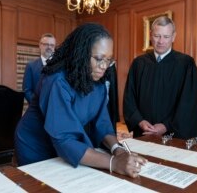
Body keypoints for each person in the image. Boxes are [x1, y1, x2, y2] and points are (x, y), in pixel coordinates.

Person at [15, 23, 147, 178]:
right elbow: (64, 139)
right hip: (37, 146)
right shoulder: (57, 81)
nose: (104, 66)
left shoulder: (97, 81)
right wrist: (114, 163)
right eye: (98, 59)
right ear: (81, 54)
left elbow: (102, 124)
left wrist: (118, 150)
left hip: (68, 147)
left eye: (108, 60)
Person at [123, 16, 197, 142]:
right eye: (157, 36)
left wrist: (166, 125)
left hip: (174, 134)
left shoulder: (185, 64)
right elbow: (129, 97)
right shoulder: (139, 63)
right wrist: (139, 121)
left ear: (173, 37)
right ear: (150, 35)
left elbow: (190, 103)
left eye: (166, 36)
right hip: (143, 131)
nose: (161, 41)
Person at [22, 33, 56, 104]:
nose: (49, 47)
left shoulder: (60, 66)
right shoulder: (30, 66)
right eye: (46, 44)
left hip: (55, 110)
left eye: (52, 45)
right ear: (40, 45)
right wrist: (37, 105)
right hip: (37, 110)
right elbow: (27, 90)